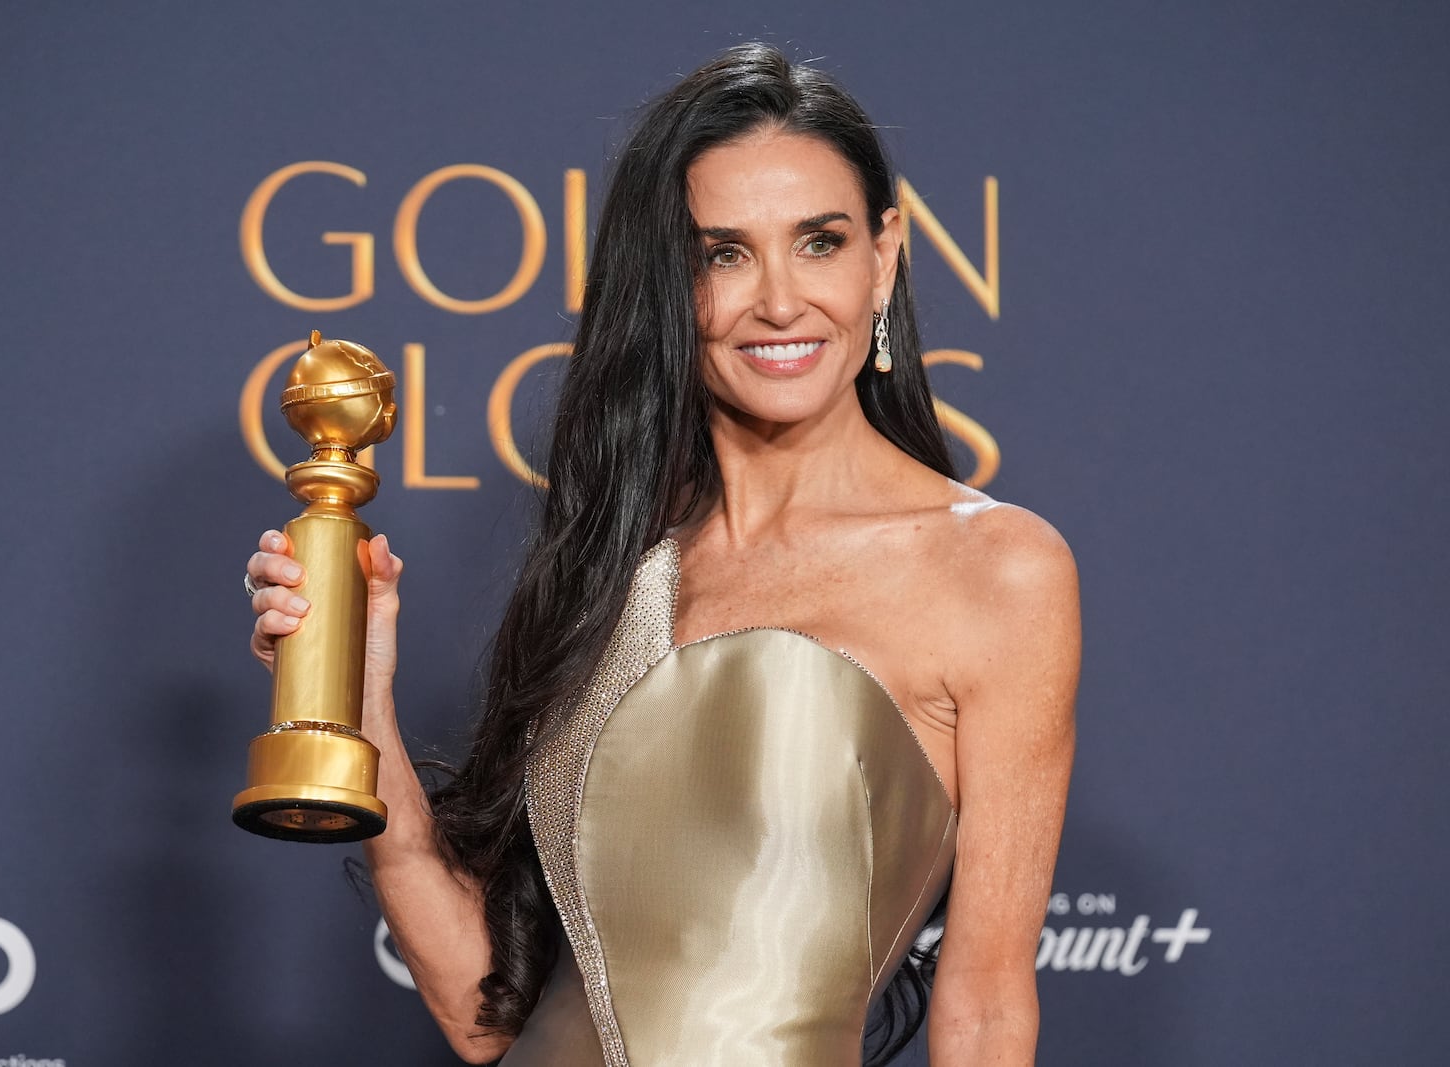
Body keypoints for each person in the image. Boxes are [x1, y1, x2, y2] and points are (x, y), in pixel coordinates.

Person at [245, 42, 1079, 1067]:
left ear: (886, 253)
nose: (778, 300)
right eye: (722, 253)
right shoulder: (613, 564)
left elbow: (987, 1006)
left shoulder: (997, 568)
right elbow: (485, 1019)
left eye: (818, 241)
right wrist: (359, 699)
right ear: (668, 284)